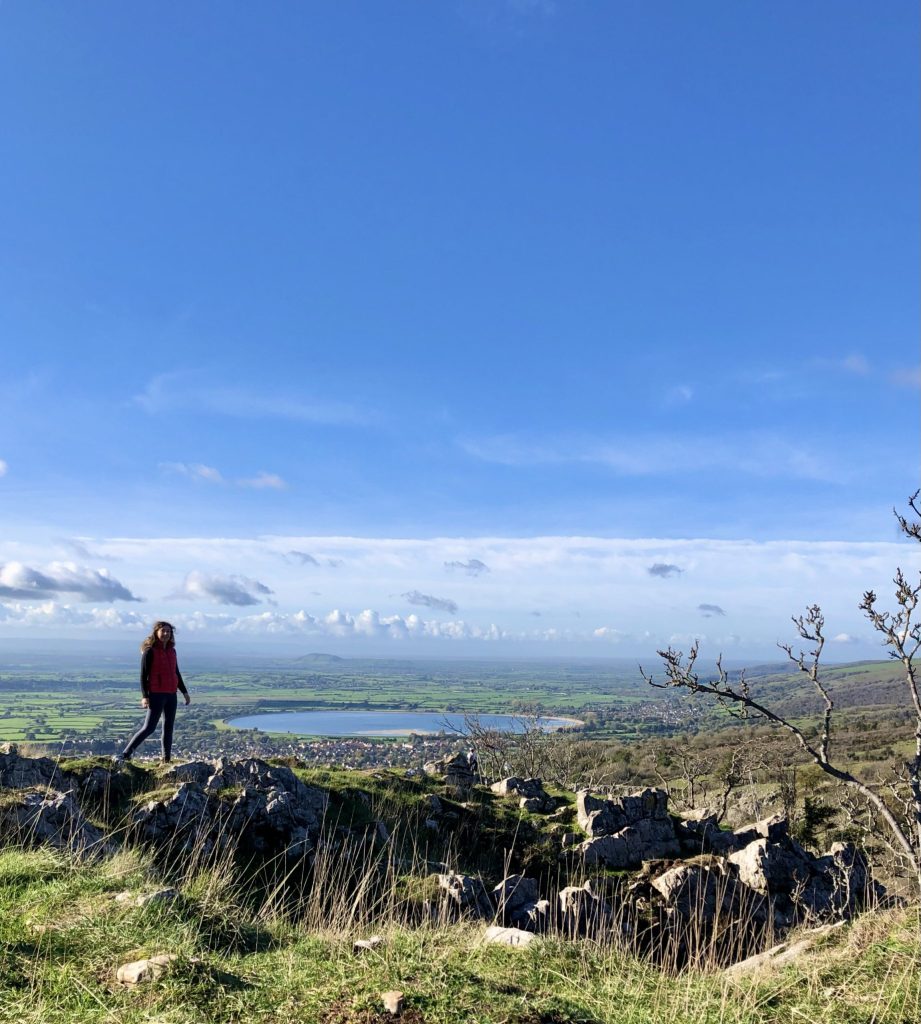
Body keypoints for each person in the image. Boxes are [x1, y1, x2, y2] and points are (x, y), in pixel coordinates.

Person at [115, 621, 191, 765]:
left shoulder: (172, 651)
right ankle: (125, 754)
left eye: (169, 631)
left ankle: (166, 759)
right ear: (156, 632)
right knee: (149, 728)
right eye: (163, 631)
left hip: (171, 694)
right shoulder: (150, 651)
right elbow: (143, 675)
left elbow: (176, 672)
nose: (166, 634)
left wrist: (184, 692)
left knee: (168, 728)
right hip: (156, 694)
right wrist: (145, 696)